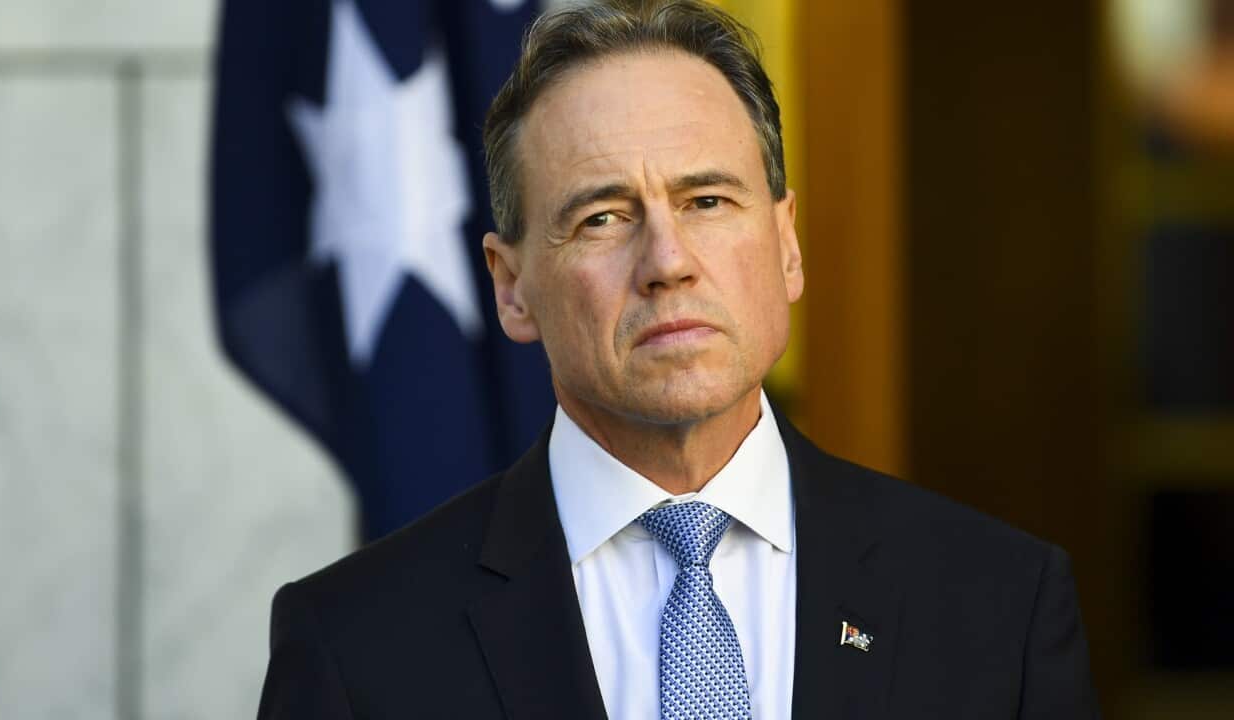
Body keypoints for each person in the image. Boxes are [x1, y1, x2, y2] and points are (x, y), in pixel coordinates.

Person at [256, 2, 1100, 718]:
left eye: (707, 200)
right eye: (601, 217)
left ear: (786, 246)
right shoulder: (353, 644)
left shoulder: (1000, 606)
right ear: (512, 289)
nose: (668, 260)